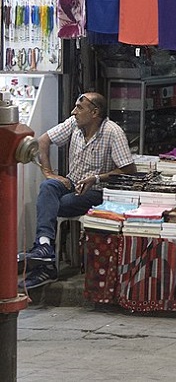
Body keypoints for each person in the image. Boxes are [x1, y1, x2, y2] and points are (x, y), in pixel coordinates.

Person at [19, 92, 134, 290]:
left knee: (61, 204)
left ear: (95, 112)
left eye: (79, 108)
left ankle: (46, 267)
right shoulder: (74, 124)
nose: (74, 112)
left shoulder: (112, 132)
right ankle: (44, 246)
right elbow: (42, 141)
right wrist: (49, 172)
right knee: (48, 187)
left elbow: (129, 169)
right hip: (72, 182)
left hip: (98, 189)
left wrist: (96, 178)